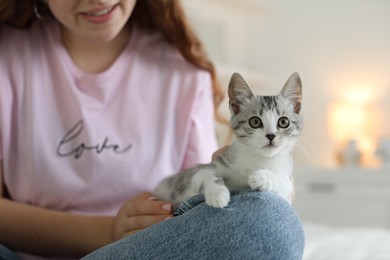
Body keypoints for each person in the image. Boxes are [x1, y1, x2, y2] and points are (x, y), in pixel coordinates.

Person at [0, 1, 305, 259]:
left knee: (271, 220)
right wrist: (108, 232)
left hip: (148, 249)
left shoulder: (185, 71)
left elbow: (200, 211)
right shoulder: (8, 57)